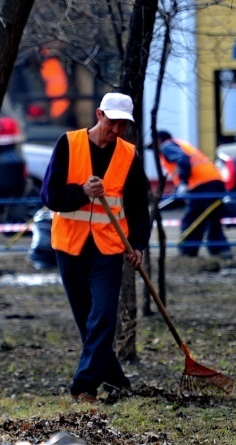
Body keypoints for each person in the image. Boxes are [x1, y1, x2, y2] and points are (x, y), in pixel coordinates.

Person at [40, 92, 151, 403]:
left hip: (109, 247)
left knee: (103, 314)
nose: (116, 130)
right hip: (70, 246)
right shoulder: (69, 143)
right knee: (86, 319)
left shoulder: (129, 155)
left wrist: (138, 244)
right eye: (112, 122)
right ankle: (116, 379)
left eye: (122, 125)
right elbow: (50, 195)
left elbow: (138, 207)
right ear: (100, 114)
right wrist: (82, 192)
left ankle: (84, 386)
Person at [154, 130, 231, 258]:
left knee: (193, 218)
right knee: (213, 219)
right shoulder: (180, 144)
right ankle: (221, 252)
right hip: (216, 181)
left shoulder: (166, 146)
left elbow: (183, 160)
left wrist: (184, 183)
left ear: (159, 140)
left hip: (202, 185)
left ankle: (187, 253)